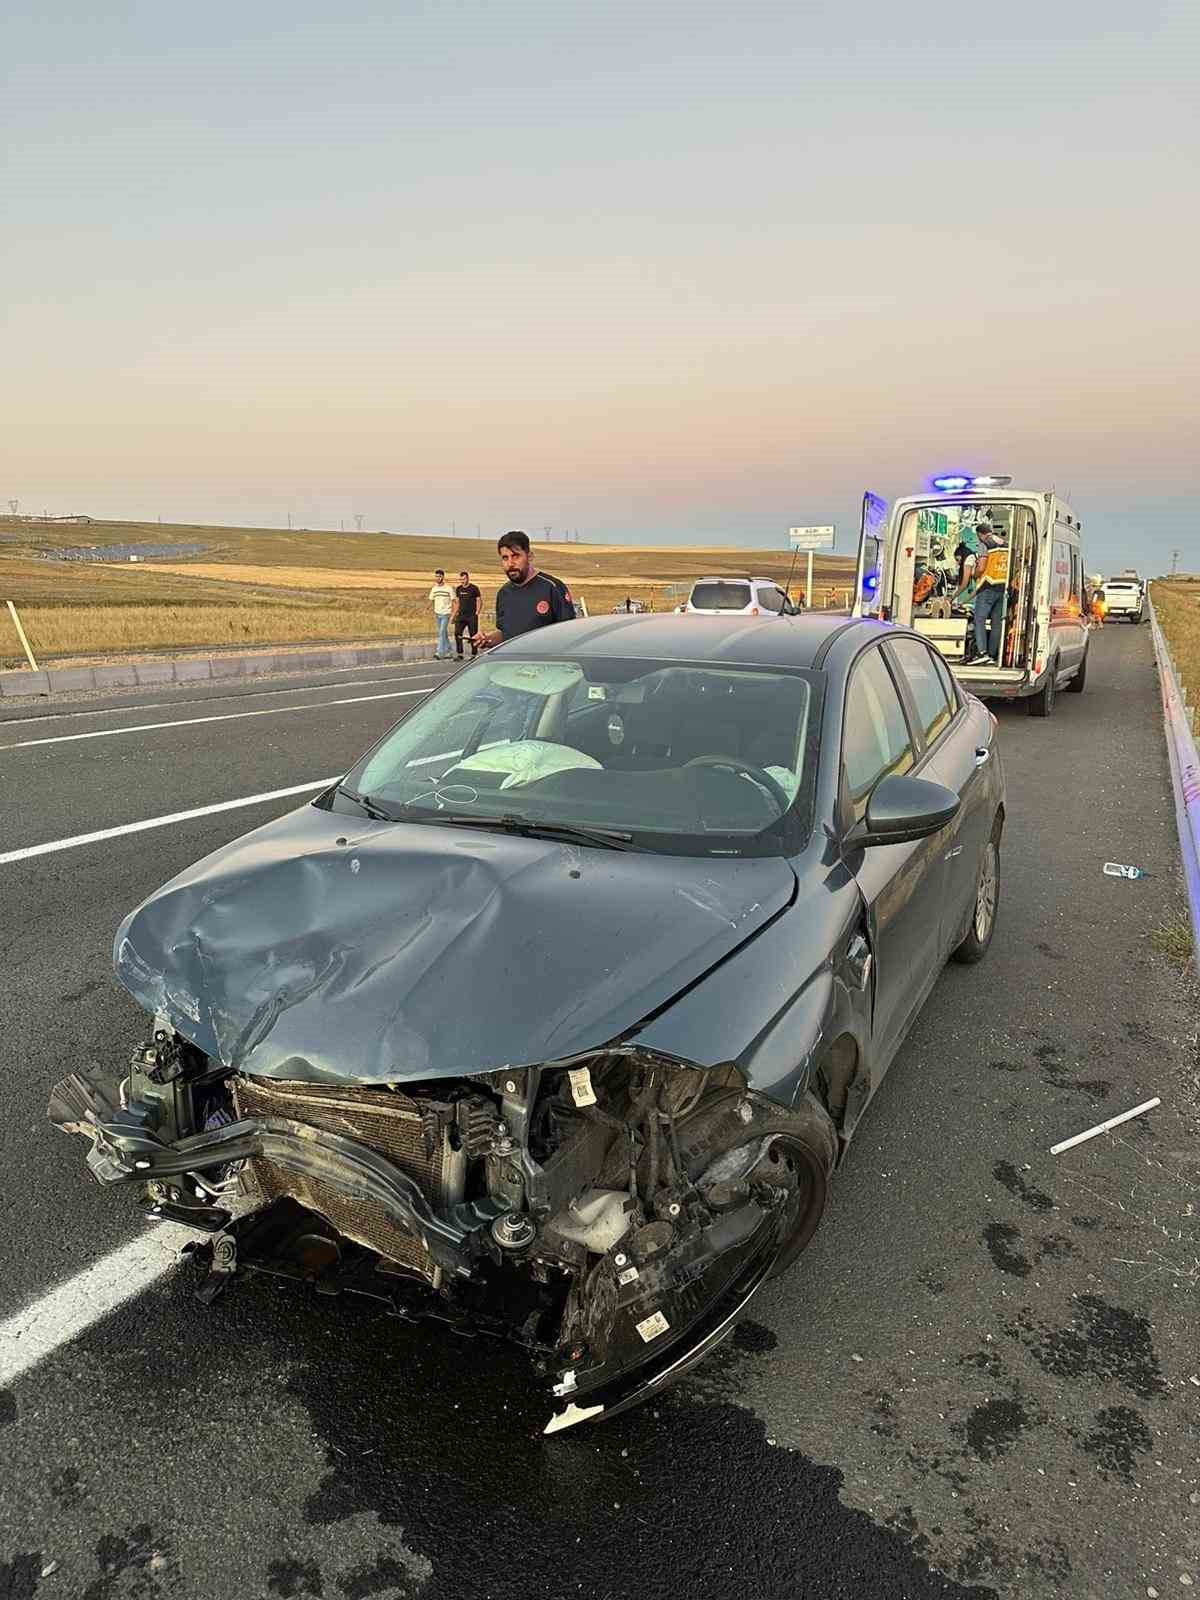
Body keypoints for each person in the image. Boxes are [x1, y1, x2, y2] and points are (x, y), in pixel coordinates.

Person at [473, 531, 576, 649]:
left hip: (545, 665)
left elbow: (570, 634)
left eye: (516, 556)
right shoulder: (504, 593)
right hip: (514, 664)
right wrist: (487, 640)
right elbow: (506, 634)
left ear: (529, 556)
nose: (510, 563)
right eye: (505, 558)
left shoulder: (552, 587)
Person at [964, 527, 1011, 665]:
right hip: (1002, 587)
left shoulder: (985, 544)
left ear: (980, 534)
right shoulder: (1005, 544)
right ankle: (992, 654)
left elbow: (981, 567)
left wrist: (975, 574)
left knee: (979, 620)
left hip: (987, 586)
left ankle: (982, 653)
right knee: (997, 623)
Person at [452, 569, 482, 660]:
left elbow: (479, 600)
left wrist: (477, 612)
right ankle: (460, 654)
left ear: (468, 578)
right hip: (461, 616)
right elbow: (457, 602)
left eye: (464, 579)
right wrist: (454, 615)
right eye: (461, 579)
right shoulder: (458, 589)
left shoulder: (474, 588)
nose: (462, 581)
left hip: (471, 616)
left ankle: (474, 654)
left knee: (473, 635)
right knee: (457, 633)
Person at [429, 569, 455, 659]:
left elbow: (454, 601)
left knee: (441, 632)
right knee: (443, 633)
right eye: (436, 576)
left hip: (446, 613)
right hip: (437, 613)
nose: (438, 578)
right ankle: (450, 651)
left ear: (443, 577)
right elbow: (431, 600)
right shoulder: (434, 588)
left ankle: (439, 652)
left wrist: (453, 613)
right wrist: (432, 610)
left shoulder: (448, 588)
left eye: (439, 576)